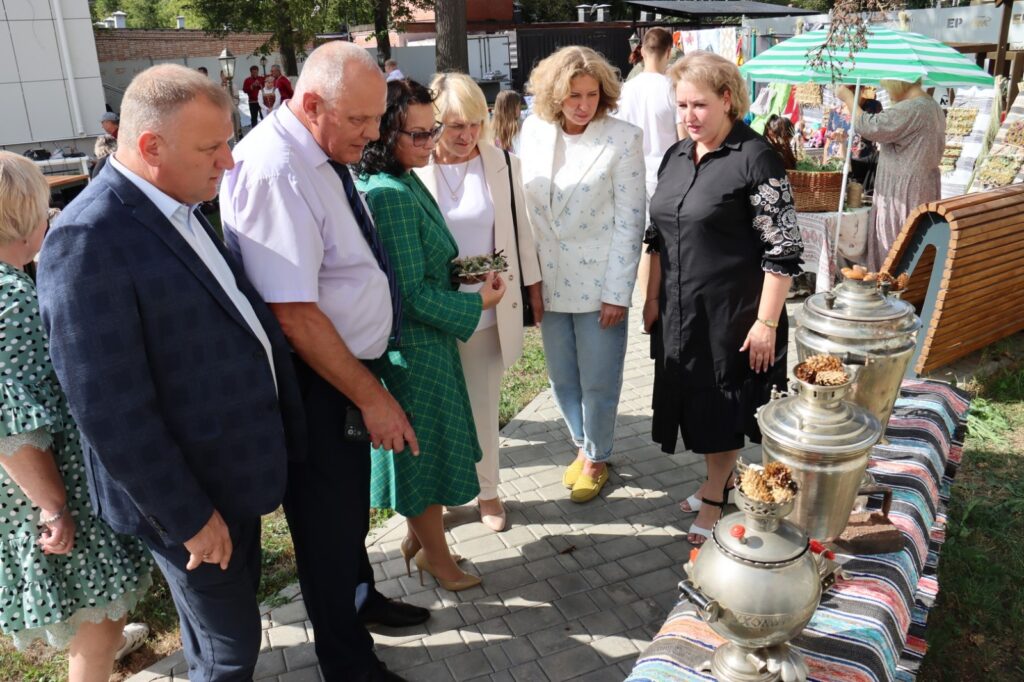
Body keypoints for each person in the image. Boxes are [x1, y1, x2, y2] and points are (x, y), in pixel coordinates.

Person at [37, 64, 308, 681]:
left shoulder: (180, 203)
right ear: (151, 147)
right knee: (230, 651)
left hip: (227, 479)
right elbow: (109, 407)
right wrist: (187, 517)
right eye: (212, 147)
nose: (230, 161)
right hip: (191, 499)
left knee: (216, 639)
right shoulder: (88, 238)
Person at [220, 43, 427, 682]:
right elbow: (294, 314)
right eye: (361, 121)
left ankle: (359, 600)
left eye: (376, 119)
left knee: (345, 516)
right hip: (317, 382)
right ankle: (346, 661)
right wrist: (370, 395)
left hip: (342, 369)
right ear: (310, 104)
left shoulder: (318, 151)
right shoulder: (277, 169)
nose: (372, 135)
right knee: (326, 526)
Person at [0, 152, 151, 681]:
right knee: (96, 616)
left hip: (27, 488)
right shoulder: (10, 300)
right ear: (22, 217)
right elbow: (10, 429)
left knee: (97, 610)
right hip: (45, 488)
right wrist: (54, 508)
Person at [643, 51, 803, 546]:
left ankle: (716, 493)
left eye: (700, 105)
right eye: (682, 104)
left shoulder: (755, 158)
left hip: (734, 314)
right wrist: (650, 299)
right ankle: (721, 478)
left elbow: (783, 248)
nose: (689, 115)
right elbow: (657, 235)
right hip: (678, 309)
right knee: (694, 398)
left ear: (727, 101)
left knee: (722, 404)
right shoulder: (675, 155)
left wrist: (767, 323)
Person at [356, 78, 507, 591]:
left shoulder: (401, 177)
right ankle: (437, 562)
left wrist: (463, 272)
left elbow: (419, 268)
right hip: (414, 354)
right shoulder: (390, 194)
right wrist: (477, 301)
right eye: (417, 134)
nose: (430, 142)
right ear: (382, 133)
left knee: (431, 453)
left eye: (431, 131)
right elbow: (411, 296)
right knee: (422, 460)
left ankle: (423, 544)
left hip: (425, 348)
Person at [415, 73, 542, 532]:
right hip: (434, 313)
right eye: (454, 126)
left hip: (489, 308)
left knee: (483, 405)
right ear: (434, 125)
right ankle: (452, 492)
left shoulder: (502, 164)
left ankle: (488, 493)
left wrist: (533, 291)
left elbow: (520, 232)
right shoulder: (414, 167)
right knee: (444, 411)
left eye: (474, 122)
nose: (466, 134)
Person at [519, 46, 645, 503]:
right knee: (561, 377)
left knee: (599, 377)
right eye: (573, 94)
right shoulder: (532, 132)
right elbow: (524, 215)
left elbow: (631, 221)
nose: (583, 104)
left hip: (599, 285)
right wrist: (529, 280)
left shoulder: (623, 138)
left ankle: (597, 455)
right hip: (548, 282)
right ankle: (581, 445)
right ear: (555, 94)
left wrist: (618, 292)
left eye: (592, 94)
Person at [837, 79, 943, 271]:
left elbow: (870, 127)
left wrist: (848, 97)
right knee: (910, 255)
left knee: (895, 255)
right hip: (920, 190)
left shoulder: (912, 109)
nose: (886, 91)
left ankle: (890, 295)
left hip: (902, 195)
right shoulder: (930, 106)